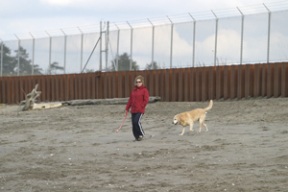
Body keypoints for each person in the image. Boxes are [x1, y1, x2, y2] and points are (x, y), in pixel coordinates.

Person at [125, 75, 150, 141]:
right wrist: (127, 107)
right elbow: (130, 100)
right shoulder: (134, 91)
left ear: (142, 82)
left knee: (137, 122)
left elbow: (146, 99)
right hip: (133, 110)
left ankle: (141, 134)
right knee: (133, 123)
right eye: (137, 82)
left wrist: (142, 106)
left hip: (140, 110)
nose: (138, 83)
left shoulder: (144, 90)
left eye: (139, 82)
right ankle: (137, 137)